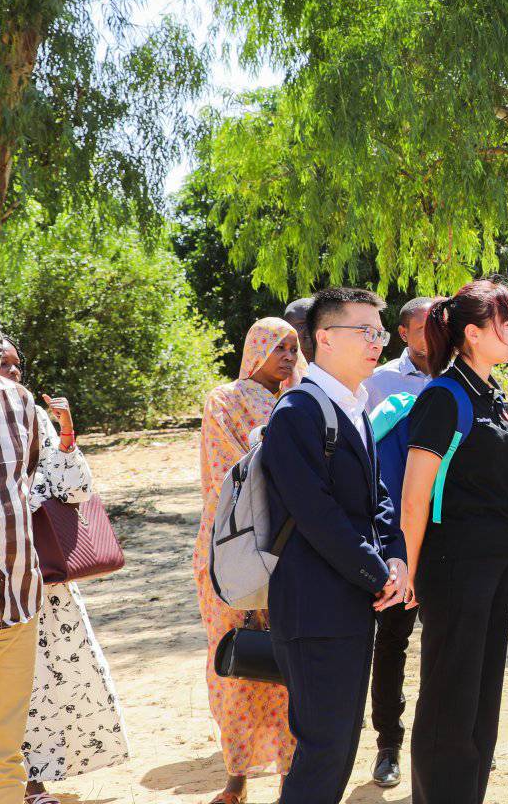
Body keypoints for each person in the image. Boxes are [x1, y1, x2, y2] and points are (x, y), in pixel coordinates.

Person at [262, 289, 409, 804]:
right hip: (313, 607)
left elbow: (378, 497)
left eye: (381, 333)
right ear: (324, 338)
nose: (377, 343)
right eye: (365, 332)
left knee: (340, 745)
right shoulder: (297, 412)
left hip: (348, 603)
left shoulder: (354, 407)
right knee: (324, 748)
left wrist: (395, 556)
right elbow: (317, 515)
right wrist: (380, 574)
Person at [398, 281, 508, 804]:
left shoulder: (488, 392)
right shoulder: (443, 396)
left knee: (481, 694)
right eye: (507, 323)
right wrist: (407, 568)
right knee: (451, 696)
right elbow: (414, 498)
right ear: (473, 333)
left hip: (493, 562)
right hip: (452, 567)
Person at [0, 339, 130, 803]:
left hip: (33, 575)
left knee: (34, 684)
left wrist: (67, 435)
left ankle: (29, 782)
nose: (14, 374)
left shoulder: (31, 415)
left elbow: (72, 491)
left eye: (18, 365)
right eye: (3, 365)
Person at [194, 318, 300, 804]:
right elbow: (227, 475)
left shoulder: (299, 400)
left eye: (293, 347)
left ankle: (289, 774)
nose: (287, 355)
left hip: (290, 547)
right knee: (235, 655)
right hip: (230, 545)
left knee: (287, 663)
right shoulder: (224, 400)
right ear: (255, 347)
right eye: (277, 346)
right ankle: (236, 776)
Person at [359, 296, 433, 790]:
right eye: (426, 327)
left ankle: (446, 741)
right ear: (404, 334)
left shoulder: (463, 379)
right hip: (397, 537)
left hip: (448, 539)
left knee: (450, 645)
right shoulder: (380, 382)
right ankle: (389, 744)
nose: (437, 334)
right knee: (392, 642)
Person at [0, 363, 49, 804]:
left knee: (4, 748)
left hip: (16, 594)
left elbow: (28, 479)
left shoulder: (20, 400)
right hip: (15, 586)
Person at [284, 297, 316, 365]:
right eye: (302, 323)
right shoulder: (278, 368)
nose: (311, 327)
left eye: (315, 322)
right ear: (287, 327)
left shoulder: (339, 366)